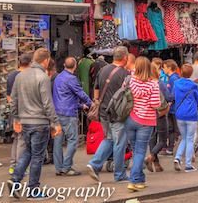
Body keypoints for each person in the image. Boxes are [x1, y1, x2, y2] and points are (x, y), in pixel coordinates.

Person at [8, 48, 62, 200]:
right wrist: (56, 122)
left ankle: (15, 180)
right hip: (40, 122)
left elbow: (13, 100)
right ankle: (33, 190)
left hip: (25, 122)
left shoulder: (20, 76)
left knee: (29, 152)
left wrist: (16, 118)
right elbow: (47, 103)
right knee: (37, 156)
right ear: (45, 60)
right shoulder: (43, 77)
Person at [86, 46, 129, 183]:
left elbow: (96, 88)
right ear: (125, 58)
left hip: (104, 111)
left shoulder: (103, 70)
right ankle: (119, 174)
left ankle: (94, 164)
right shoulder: (125, 74)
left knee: (109, 139)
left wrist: (97, 103)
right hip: (118, 113)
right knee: (119, 143)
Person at [125, 57, 161, 193]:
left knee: (136, 151)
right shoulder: (153, 84)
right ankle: (133, 180)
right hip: (146, 121)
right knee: (140, 151)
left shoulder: (131, 80)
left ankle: (140, 179)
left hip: (130, 118)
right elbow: (155, 104)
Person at [52, 56, 92, 176]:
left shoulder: (58, 77)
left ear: (64, 65)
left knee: (58, 141)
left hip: (57, 113)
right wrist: (91, 104)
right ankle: (67, 167)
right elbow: (80, 93)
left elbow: (64, 96)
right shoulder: (72, 79)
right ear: (75, 67)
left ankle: (59, 168)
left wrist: (80, 106)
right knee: (73, 141)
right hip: (68, 113)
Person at [7, 52, 33, 174]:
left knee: (17, 139)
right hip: (22, 112)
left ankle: (13, 165)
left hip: (14, 111)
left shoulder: (11, 75)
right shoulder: (24, 76)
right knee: (22, 140)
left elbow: (9, 97)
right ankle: (20, 167)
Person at [173, 64, 198, 172]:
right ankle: (188, 164)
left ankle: (178, 157)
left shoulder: (176, 84)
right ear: (191, 73)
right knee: (189, 139)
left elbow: (173, 96)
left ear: (180, 72)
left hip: (179, 114)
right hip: (191, 114)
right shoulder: (194, 85)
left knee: (184, 138)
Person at [146, 61, 169, 173]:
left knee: (152, 138)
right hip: (160, 113)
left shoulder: (146, 83)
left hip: (150, 114)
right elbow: (169, 97)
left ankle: (156, 163)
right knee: (163, 139)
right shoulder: (159, 83)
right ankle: (151, 156)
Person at [163, 59, 180, 154]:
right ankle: (170, 148)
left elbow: (173, 94)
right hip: (171, 108)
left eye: (164, 67)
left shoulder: (174, 79)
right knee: (171, 128)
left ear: (169, 68)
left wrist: (169, 101)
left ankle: (172, 148)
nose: (163, 69)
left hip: (173, 107)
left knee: (174, 129)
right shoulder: (171, 78)